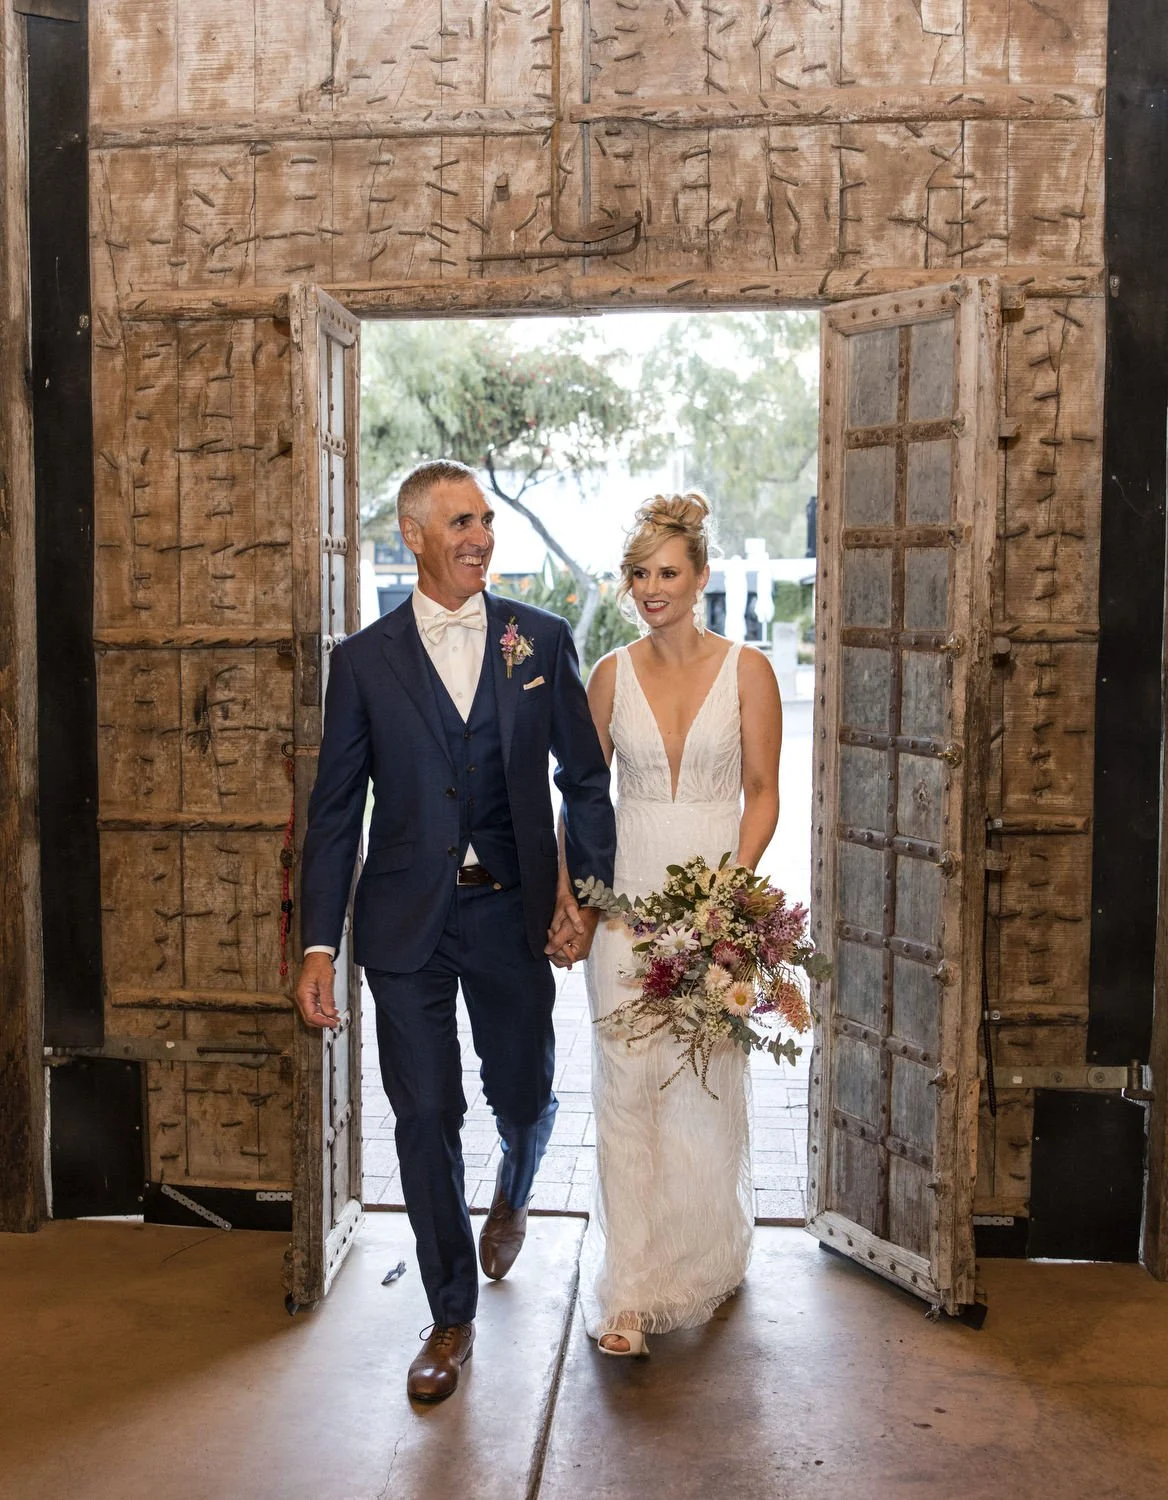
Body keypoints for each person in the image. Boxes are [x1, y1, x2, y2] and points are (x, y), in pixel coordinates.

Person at [293, 459, 615, 1403]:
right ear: (416, 537)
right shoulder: (361, 661)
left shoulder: (538, 640)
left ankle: (517, 1176)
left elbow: (585, 781)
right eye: (462, 522)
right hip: (404, 922)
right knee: (426, 1112)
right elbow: (334, 810)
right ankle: (448, 1314)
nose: (481, 536)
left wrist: (582, 897)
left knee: (522, 1088)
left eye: (485, 521)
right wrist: (320, 943)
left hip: (509, 910)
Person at [561, 493, 783, 1356]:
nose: (651, 589)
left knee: (703, 1083)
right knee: (626, 1088)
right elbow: (582, 802)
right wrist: (574, 903)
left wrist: (725, 901)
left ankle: (702, 1259)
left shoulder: (750, 671)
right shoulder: (610, 674)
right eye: (639, 574)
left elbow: (761, 796)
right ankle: (629, 1288)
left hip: (713, 908)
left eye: (667, 573)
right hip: (626, 904)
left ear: (699, 577)